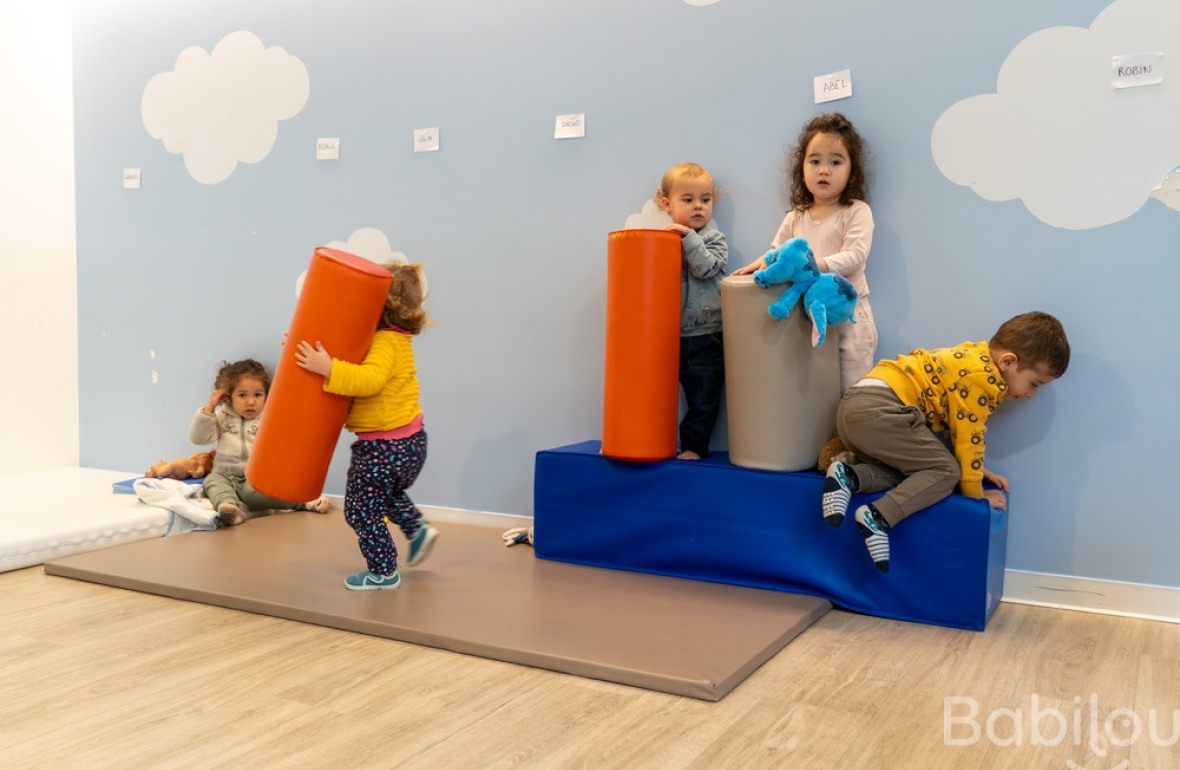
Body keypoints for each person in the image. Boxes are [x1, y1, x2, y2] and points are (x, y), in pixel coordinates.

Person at [820, 312, 1070, 573]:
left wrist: (978, 470)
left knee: (921, 474)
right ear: (1008, 362)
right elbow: (969, 441)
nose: (1031, 394)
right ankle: (877, 517)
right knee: (946, 473)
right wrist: (976, 495)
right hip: (882, 410)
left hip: (857, 407)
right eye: (1034, 383)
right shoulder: (982, 380)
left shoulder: (973, 356)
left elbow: (942, 440)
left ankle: (849, 476)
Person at [294, 262, 438, 591]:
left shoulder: (385, 343)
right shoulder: (394, 340)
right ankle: (417, 529)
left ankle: (384, 571)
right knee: (385, 494)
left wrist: (328, 368)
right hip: (409, 442)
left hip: (384, 447)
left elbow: (369, 380)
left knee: (360, 510)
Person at [734, 113, 876, 391]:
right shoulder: (796, 216)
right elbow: (777, 251)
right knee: (815, 391)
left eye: (836, 162)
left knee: (854, 389)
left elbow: (855, 256)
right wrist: (760, 264)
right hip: (807, 314)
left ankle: (852, 433)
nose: (824, 170)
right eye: (815, 161)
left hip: (849, 314)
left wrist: (814, 264)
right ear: (802, 169)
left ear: (852, 171)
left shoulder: (856, 211)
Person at [189, 358, 331, 526]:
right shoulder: (221, 417)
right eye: (242, 395)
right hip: (225, 475)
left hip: (254, 478)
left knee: (252, 494)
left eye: (258, 395)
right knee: (211, 481)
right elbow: (198, 438)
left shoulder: (268, 420)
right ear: (228, 397)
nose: (251, 402)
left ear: (266, 395)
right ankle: (229, 508)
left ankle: (303, 502)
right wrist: (209, 408)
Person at [655, 162, 729, 460]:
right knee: (659, 393)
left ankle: (694, 447)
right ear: (666, 204)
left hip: (706, 333)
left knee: (703, 396)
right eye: (688, 200)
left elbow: (706, 268)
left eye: (705, 199)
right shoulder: (661, 240)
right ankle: (657, 442)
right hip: (670, 333)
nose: (698, 206)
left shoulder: (713, 239)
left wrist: (688, 238)